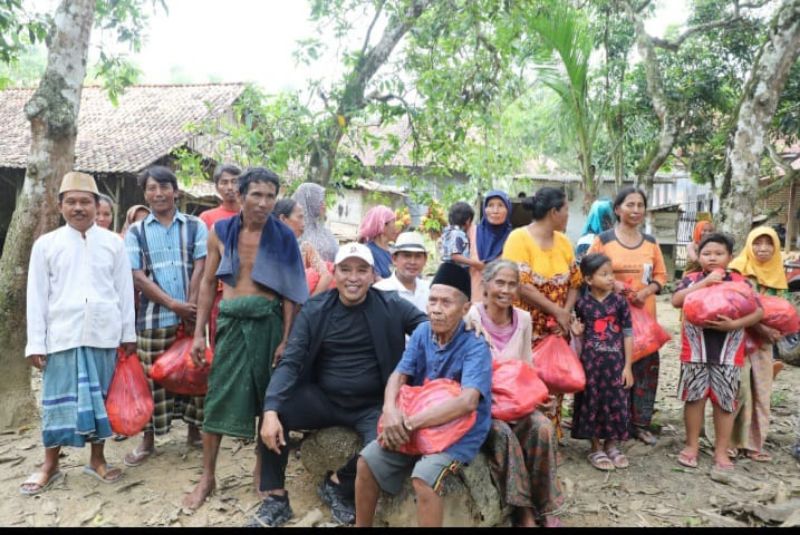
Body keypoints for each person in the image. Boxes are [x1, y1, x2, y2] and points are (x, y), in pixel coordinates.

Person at [255, 242, 427, 527]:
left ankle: (337, 484)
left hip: (373, 404)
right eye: (346, 270)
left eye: (362, 270)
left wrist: (465, 322)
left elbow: (426, 325)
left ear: (373, 275)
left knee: (393, 442)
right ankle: (276, 497)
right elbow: (291, 362)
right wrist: (271, 410)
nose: (353, 277)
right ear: (335, 273)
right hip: (324, 398)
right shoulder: (316, 308)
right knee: (275, 409)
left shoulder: (390, 304)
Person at [183, 168, 308, 510]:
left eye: (270, 196)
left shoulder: (284, 236)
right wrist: (199, 335)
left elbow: (290, 294)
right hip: (232, 324)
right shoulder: (219, 232)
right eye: (257, 195)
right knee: (218, 397)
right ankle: (207, 476)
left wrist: (286, 339)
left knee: (267, 401)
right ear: (240, 195)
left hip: (268, 324)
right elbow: (209, 283)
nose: (264, 203)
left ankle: (261, 473)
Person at [21, 172, 136, 495]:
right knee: (57, 402)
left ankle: (97, 459)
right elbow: (37, 295)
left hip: (104, 334)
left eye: (85, 201)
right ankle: (50, 464)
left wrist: (128, 334)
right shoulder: (46, 245)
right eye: (71, 201)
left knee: (100, 399)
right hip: (62, 336)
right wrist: (35, 342)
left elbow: (124, 292)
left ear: (97, 205)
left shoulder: (113, 243)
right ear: (60, 206)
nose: (78, 207)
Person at [355, 262, 492, 528]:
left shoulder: (475, 345)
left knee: (424, 477)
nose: (437, 309)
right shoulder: (422, 332)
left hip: (459, 432)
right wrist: (390, 411)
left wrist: (408, 424)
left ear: (465, 309)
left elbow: (468, 401)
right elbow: (399, 375)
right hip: (418, 423)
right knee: (367, 461)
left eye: (446, 303)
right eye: (432, 300)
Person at [464, 259, 563, 527]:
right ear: (486, 284)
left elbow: (526, 367)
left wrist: (538, 399)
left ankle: (546, 504)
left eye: (512, 284)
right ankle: (523, 511)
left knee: (542, 427)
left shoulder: (524, 319)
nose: (506, 290)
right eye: (500, 283)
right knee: (503, 434)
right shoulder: (470, 317)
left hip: (515, 402)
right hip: (485, 407)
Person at [123, 165, 208, 467]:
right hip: (152, 320)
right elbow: (137, 276)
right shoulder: (136, 232)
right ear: (144, 193)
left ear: (175, 190)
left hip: (191, 317)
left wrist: (191, 308)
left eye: (164, 187)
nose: (158, 193)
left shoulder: (196, 226)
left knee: (195, 374)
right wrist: (174, 305)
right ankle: (148, 440)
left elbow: (201, 267)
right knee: (151, 379)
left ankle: (194, 432)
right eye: (151, 188)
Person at [672, 233, 764, 471]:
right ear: (699, 256)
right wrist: (706, 283)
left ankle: (721, 451)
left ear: (730, 257)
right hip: (695, 349)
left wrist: (733, 325)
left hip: (729, 352)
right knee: (694, 398)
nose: (712, 258)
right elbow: (676, 300)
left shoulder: (740, 282)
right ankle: (691, 445)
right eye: (707, 253)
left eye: (719, 253)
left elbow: (758, 311)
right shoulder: (691, 279)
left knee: (724, 401)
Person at [589, 187, 667, 446]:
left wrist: (647, 291)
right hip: (612, 318)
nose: (635, 210)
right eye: (629, 204)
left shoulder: (651, 243)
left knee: (646, 369)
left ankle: (641, 424)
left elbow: (661, 277)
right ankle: (615, 425)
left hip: (645, 316)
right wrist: (614, 286)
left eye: (640, 205)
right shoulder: (604, 240)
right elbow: (588, 271)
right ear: (617, 209)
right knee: (616, 370)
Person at [502, 187, 582, 437]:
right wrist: (557, 311)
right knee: (527, 378)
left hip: (557, 325)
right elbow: (522, 285)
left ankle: (552, 435)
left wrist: (565, 315)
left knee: (555, 377)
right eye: (566, 209)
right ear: (553, 211)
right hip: (527, 325)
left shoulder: (565, 242)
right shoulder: (518, 238)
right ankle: (528, 436)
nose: (568, 214)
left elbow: (574, 282)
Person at [729, 226, 788, 462]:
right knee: (737, 390)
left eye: (769, 243)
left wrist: (779, 329)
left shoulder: (777, 274)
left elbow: (782, 310)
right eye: (757, 242)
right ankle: (729, 442)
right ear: (749, 244)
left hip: (764, 344)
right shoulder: (737, 271)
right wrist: (763, 327)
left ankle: (754, 444)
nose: (763, 248)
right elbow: (734, 307)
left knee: (762, 391)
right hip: (738, 339)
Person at [571, 253, 634, 472]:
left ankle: (612, 444)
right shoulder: (582, 304)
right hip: (590, 364)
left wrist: (628, 366)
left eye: (612, 274)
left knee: (616, 400)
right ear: (588, 280)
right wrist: (577, 333)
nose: (610, 278)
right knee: (592, 401)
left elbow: (627, 334)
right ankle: (595, 446)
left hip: (615, 363)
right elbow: (579, 335)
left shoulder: (619, 302)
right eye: (604, 274)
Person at [274, 198, 334, 297]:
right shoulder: (265, 247)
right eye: (300, 217)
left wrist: (309, 305)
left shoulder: (305, 247)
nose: (304, 223)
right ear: (283, 219)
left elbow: (326, 276)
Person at [467, 191, 513, 301]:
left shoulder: (513, 238)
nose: (495, 211)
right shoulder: (471, 232)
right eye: (490, 205)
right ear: (484, 209)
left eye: (501, 205)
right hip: (472, 303)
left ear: (508, 210)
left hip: (502, 304)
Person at [374, 231, 431, 312]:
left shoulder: (430, 290)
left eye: (418, 256)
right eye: (407, 256)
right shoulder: (381, 291)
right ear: (394, 259)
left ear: (425, 260)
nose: (412, 262)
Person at [292, 182, 339, 263]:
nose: (324, 204)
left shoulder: (324, 231)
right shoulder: (296, 233)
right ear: (310, 202)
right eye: (320, 200)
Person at [358, 205, 399, 280]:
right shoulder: (368, 251)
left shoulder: (395, 250)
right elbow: (378, 282)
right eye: (393, 222)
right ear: (383, 225)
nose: (396, 227)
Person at [440, 201, 482, 272]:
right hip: (455, 270)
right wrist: (476, 263)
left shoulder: (448, 232)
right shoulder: (458, 234)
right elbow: (455, 256)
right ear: (468, 220)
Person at [199, 164, 242, 229]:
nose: (230, 187)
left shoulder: (252, 217)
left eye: (234, 182)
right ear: (217, 188)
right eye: (224, 183)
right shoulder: (206, 218)